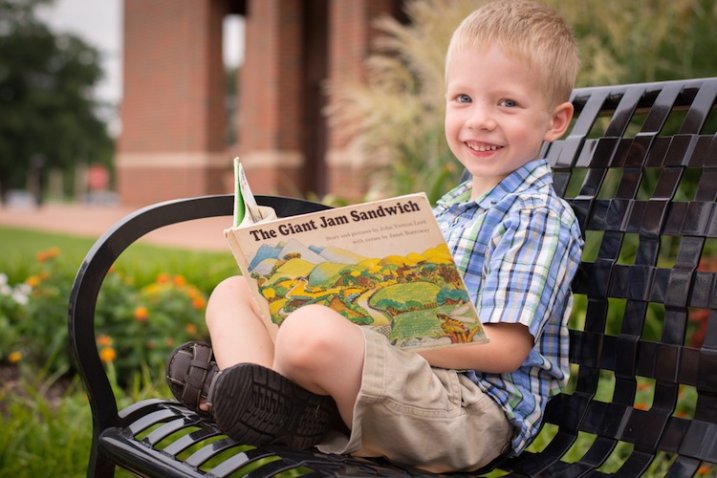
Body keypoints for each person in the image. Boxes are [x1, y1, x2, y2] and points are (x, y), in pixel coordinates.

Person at [166, 0, 584, 472]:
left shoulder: (536, 216)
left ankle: (264, 398)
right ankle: (265, 399)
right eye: (463, 99)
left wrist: (378, 331)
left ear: (554, 121)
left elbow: (506, 350)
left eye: (507, 103)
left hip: (466, 411)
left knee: (310, 330)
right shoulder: (451, 206)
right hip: (405, 382)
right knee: (236, 292)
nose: (480, 119)